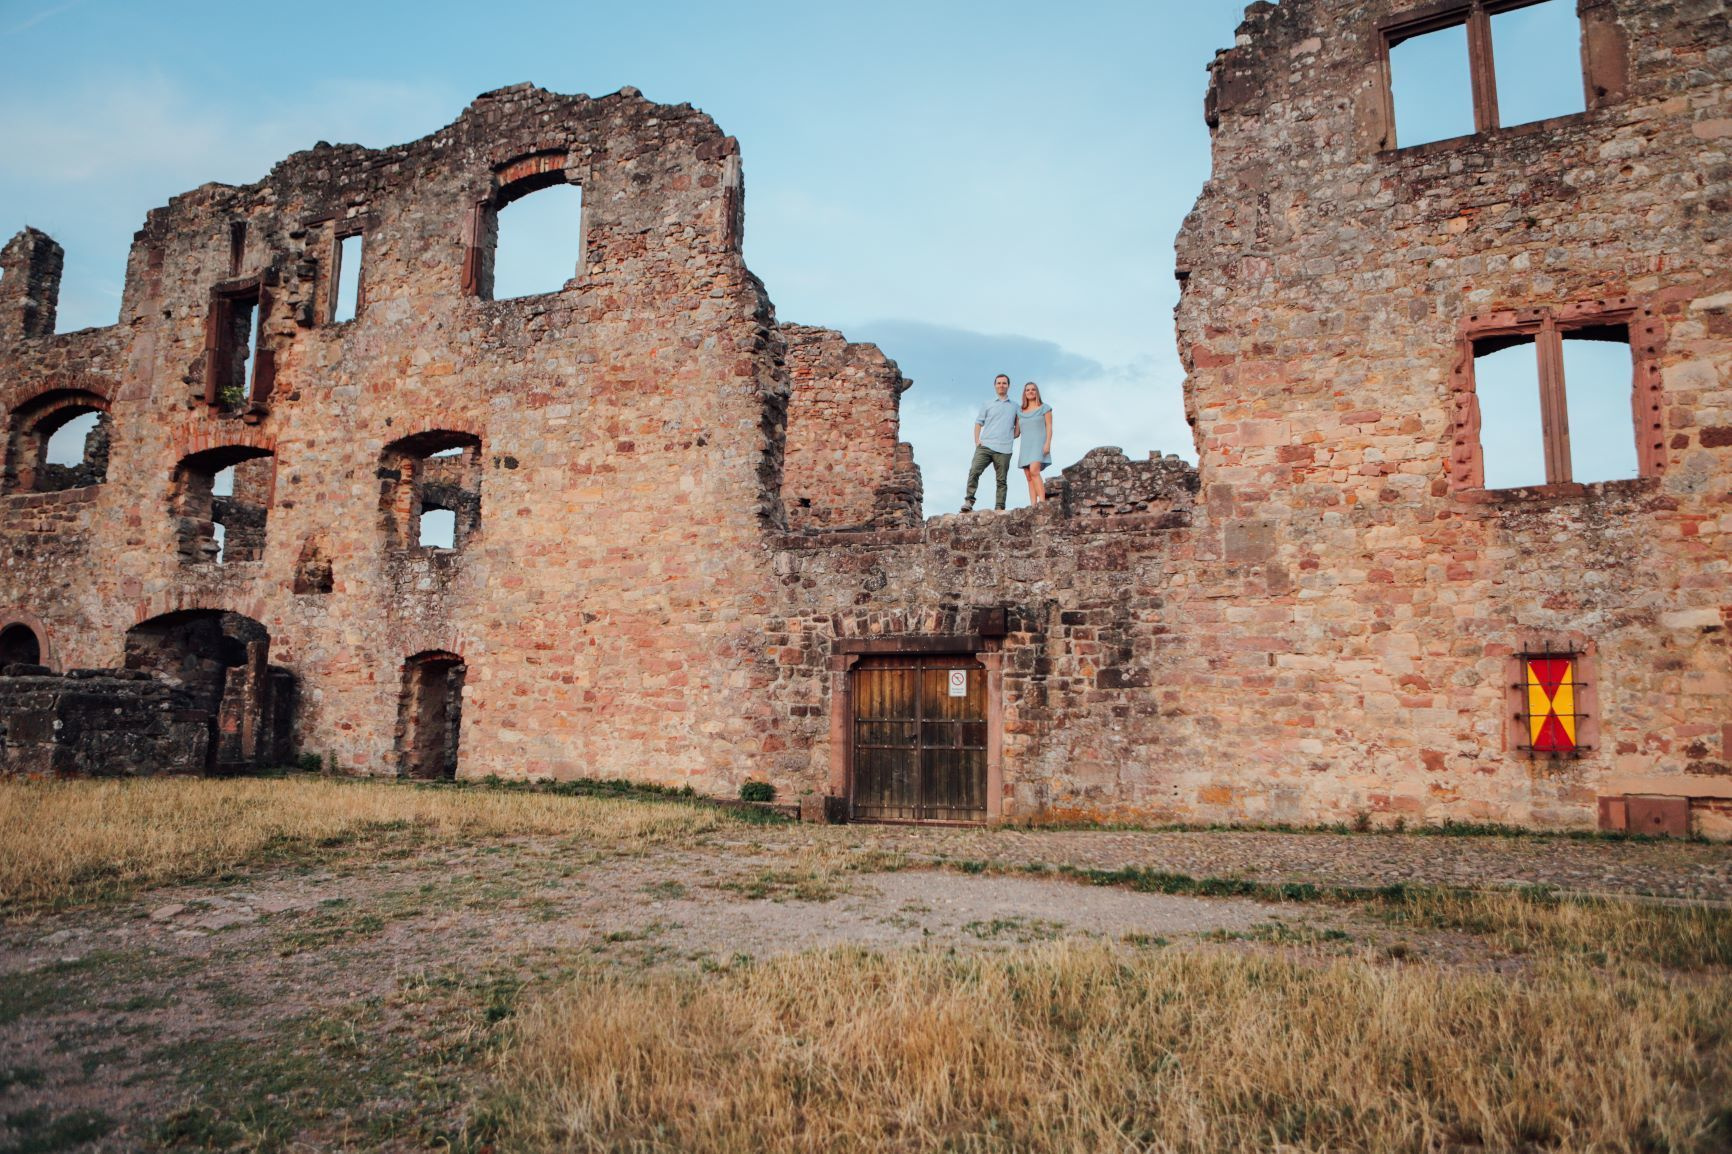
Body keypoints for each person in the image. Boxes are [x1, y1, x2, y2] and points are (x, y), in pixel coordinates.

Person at [962, 373, 1019, 511]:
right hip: (985, 446)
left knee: (1001, 480)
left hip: (1004, 449)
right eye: (999, 383)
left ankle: (999, 507)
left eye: (1004, 383)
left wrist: (1009, 437)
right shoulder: (987, 404)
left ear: (1008, 386)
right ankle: (969, 501)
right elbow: (978, 423)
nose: (1001, 385)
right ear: (995, 386)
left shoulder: (1016, 406)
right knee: (974, 471)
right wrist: (977, 440)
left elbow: (1017, 429)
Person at [1017, 381, 1053, 504]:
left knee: (1034, 471)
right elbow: (1016, 433)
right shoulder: (1020, 411)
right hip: (1025, 446)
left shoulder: (1044, 408)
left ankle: (1042, 503)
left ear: (1037, 392)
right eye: (1027, 390)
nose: (1030, 392)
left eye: (1033, 389)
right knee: (1028, 476)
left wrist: (1048, 443)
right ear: (1024, 393)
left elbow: (1049, 426)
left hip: (1039, 444)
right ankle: (1033, 505)